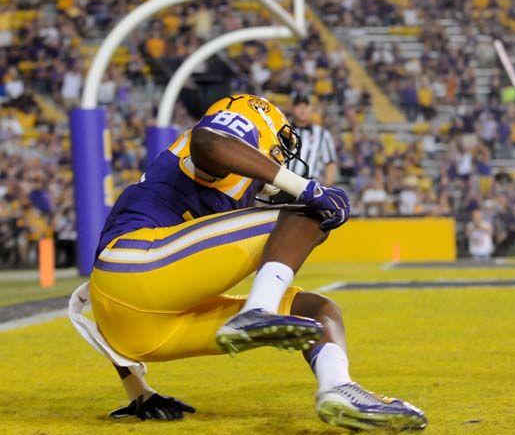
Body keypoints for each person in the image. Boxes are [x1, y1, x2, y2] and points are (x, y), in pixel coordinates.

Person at [73, 94, 426, 431]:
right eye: (279, 147)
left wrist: (139, 394)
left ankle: (338, 388)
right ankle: (257, 310)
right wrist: (304, 189)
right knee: (309, 210)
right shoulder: (215, 147)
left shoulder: (233, 186)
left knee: (317, 308)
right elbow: (207, 142)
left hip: (133, 328)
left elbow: (127, 295)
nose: (280, 158)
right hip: (134, 265)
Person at [287, 95, 338, 185]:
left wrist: (327, 185)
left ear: (311, 109)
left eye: (306, 106)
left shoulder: (322, 133)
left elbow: (330, 162)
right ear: (293, 109)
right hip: (284, 182)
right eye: (299, 106)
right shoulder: (284, 131)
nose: (303, 110)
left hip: (309, 184)